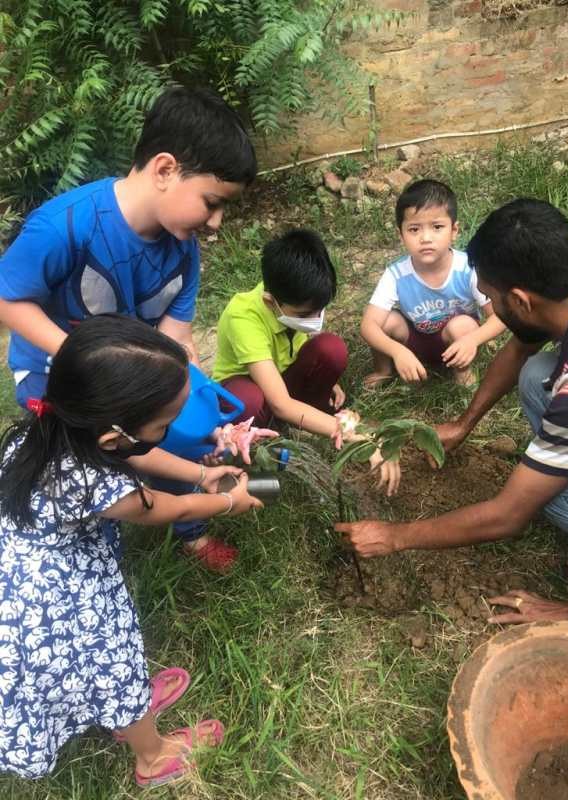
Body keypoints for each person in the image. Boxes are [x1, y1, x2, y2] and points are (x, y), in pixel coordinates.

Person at [0, 86, 257, 572]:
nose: (217, 222)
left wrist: (203, 403)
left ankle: (189, 527)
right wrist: (88, 357)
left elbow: (174, 338)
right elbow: (7, 299)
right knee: (86, 463)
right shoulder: (65, 227)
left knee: (187, 431)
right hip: (59, 380)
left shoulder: (184, 251)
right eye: (211, 202)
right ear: (165, 169)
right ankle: (99, 518)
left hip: (138, 378)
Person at [0, 315, 262, 786]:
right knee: (111, 661)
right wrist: (225, 500)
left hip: (25, 575)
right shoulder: (93, 480)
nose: (174, 428)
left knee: (91, 672)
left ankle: (123, 708)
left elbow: (137, 450)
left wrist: (201, 473)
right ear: (113, 437)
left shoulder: (48, 428)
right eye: (166, 423)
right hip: (57, 603)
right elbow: (164, 506)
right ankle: (151, 754)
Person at [336, 199, 568, 575]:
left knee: (553, 494)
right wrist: (465, 423)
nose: (488, 305)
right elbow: (521, 346)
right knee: (536, 372)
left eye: (491, 299)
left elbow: (507, 516)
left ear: (522, 301)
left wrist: (395, 536)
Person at [212, 228, 401, 495]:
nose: (314, 319)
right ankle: (255, 467)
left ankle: (301, 427)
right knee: (249, 400)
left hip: (280, 383)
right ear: (270, 302)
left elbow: (299, 346)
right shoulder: (242, 317)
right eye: (304, 314)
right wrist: (351, 432)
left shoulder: (291, 298)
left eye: (319, 310)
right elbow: (279, 402)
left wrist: (329, 382)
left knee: (331, 349)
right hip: (249, 393)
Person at [360, 179, 505, 388]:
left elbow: (499, 316)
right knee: (386, 321)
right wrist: (397, 351)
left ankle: (462, 372)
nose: (426, 238)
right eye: (414, 229)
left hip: (458, 341)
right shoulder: (396, 274)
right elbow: (368, 326)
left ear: (454, 230)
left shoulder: (467, 268)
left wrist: (473, 340)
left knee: (462, 325)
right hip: (415, 342)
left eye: (437, 227)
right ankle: (383, 370)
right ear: (400, 235)